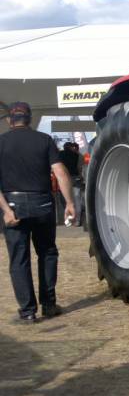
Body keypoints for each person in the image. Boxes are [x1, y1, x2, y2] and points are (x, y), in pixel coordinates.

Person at [0, 102, 75, 323]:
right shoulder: (44, 140)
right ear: (30, 119)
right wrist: (69, 202)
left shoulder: (1, 142)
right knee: (48, 253)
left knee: (19, 259)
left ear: (9, 120)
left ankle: (28, 311)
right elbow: (60, 172)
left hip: (13, 204)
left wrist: (5, 210)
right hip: (42, 203)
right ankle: (49, 304)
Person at [58, 142, 84, 226]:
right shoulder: (77, 155)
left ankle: (68, 221)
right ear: (71, 147)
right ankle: (77, 221)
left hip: (64, 180)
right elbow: (80, 168)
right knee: (77, 200)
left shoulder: (59, 154)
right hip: (75, 179)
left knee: (65, 200)